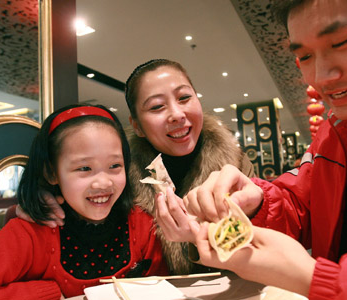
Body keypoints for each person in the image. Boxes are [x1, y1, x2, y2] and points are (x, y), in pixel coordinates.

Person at [183, 0, 347, 299]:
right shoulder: (335, 134)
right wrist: (257, 200)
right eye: (304, 56)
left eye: (341, 42)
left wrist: (313, 278)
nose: (321, 76)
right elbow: (306, 208)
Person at [17, 59, 255, 274]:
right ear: (137, 126)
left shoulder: (236, 165)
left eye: (184, 98)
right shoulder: (119, 176)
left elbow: (260, 245)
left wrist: (199, 237)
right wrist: (38, 202)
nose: (176, 114)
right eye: (156, 107)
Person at [0, 104, 168, 299]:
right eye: (84, 168)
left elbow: (163, 284)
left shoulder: (142, 224)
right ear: (52, 173)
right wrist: (45, 294)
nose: (103, 182)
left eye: (115, 165)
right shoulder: (31, 233)